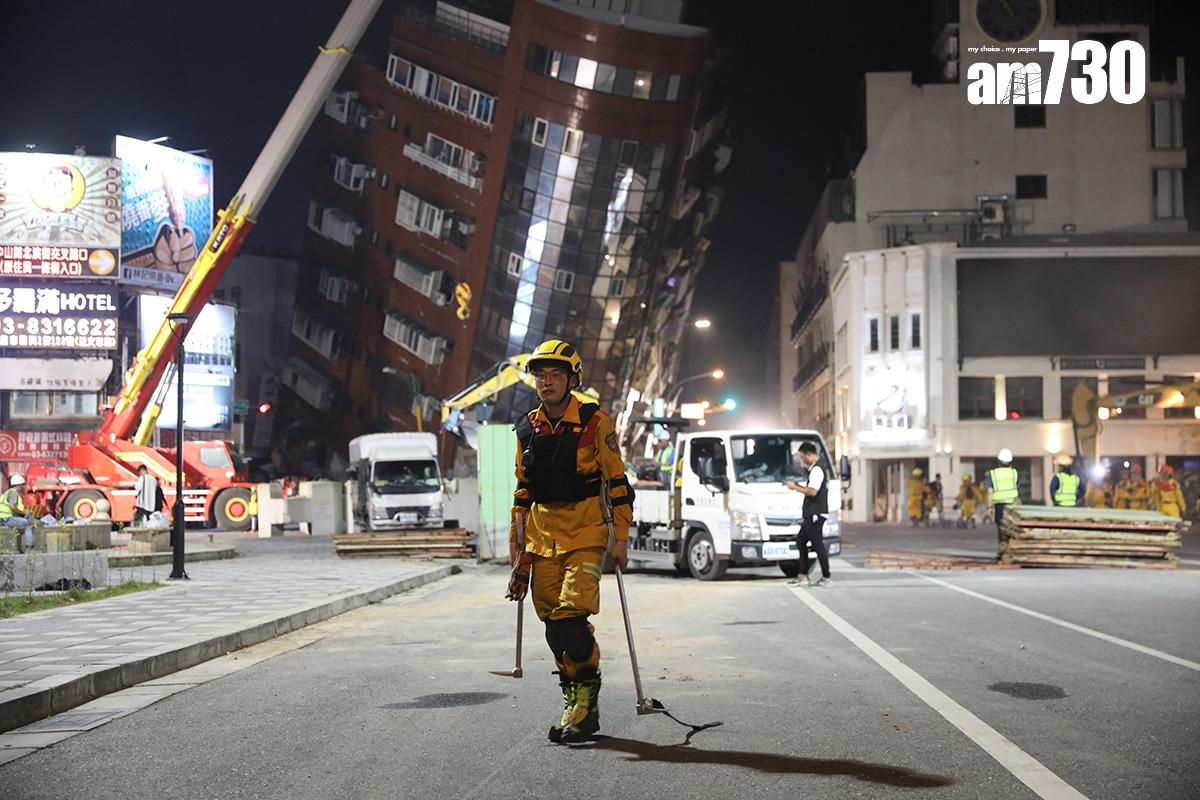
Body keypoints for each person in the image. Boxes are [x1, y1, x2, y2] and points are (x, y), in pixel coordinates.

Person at [506, 339, 634, 745]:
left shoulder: (597, 423)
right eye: (541, 375)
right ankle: (574, 694)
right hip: (542, 539)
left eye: (555, 375)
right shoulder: (527, 428)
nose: (546, 382)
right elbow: (522, 493)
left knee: (570, 616)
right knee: (551, 623)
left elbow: (617, 483)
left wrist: (622, 538)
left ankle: (585, 701)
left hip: (587, 535)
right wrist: (519, 556)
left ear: (572, 379)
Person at [784, 442, 832, 587]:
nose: (801, 460)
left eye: (802, 457)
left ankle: (826, 577)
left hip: (815, 514)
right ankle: (803, 575)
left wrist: (795, 487)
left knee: (818, 545)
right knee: (801, 541)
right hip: (812, 514)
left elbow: (812, 491)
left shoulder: (817, 470)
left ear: (809, 454)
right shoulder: (817, 468)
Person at [986, 449, 1019, 547]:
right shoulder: (1014, 473)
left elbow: (990, 491)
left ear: (999, 461)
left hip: (999, 505)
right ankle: (1012, 547)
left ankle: (1002, 547)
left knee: (1001, 528)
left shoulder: (993, 474)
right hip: (1012, 505)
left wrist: (989, 507)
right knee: (1012, 528)